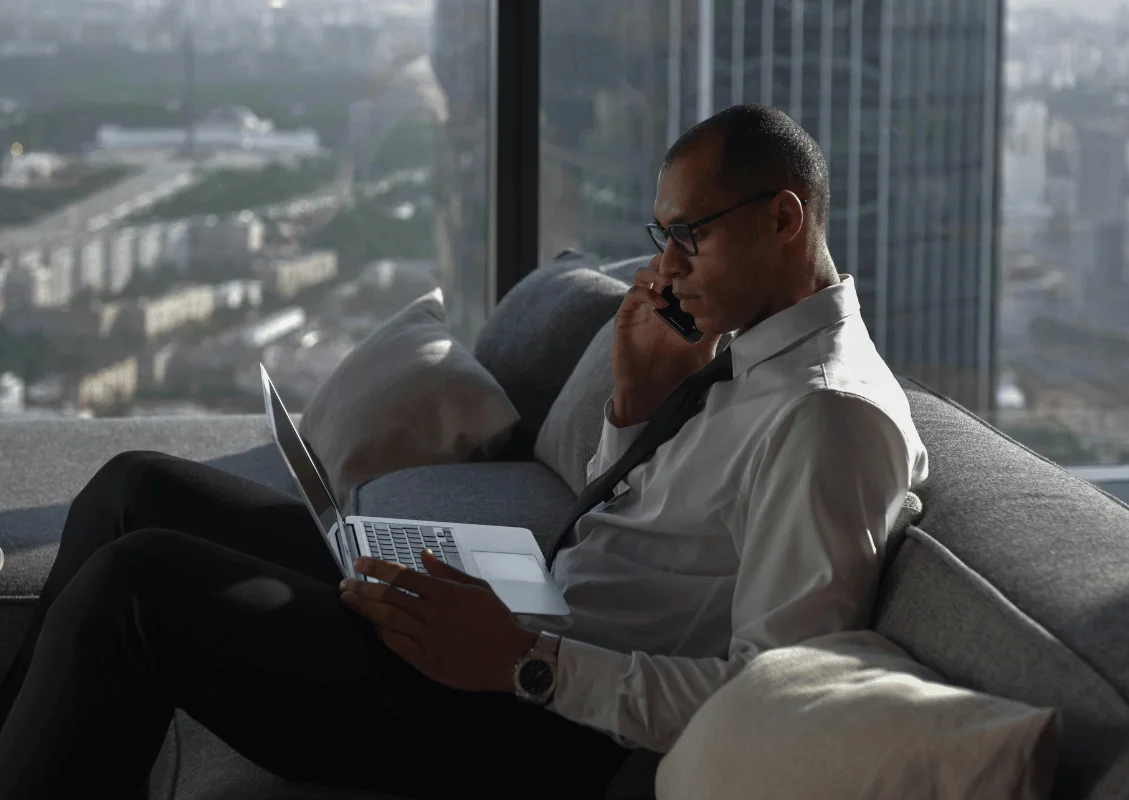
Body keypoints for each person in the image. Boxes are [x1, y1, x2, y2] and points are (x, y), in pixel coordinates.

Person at [0, 104, 927, 799]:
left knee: (138, 587)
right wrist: (631, 408)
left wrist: (519, 660)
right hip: (527, 622)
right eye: (662, 236)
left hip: (543, 722)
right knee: (135, 486)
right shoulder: (742, 357)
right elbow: (650, 545)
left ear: (784, 219)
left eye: (691, 235)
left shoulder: (830, 418)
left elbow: (772, 704)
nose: (667, 264)